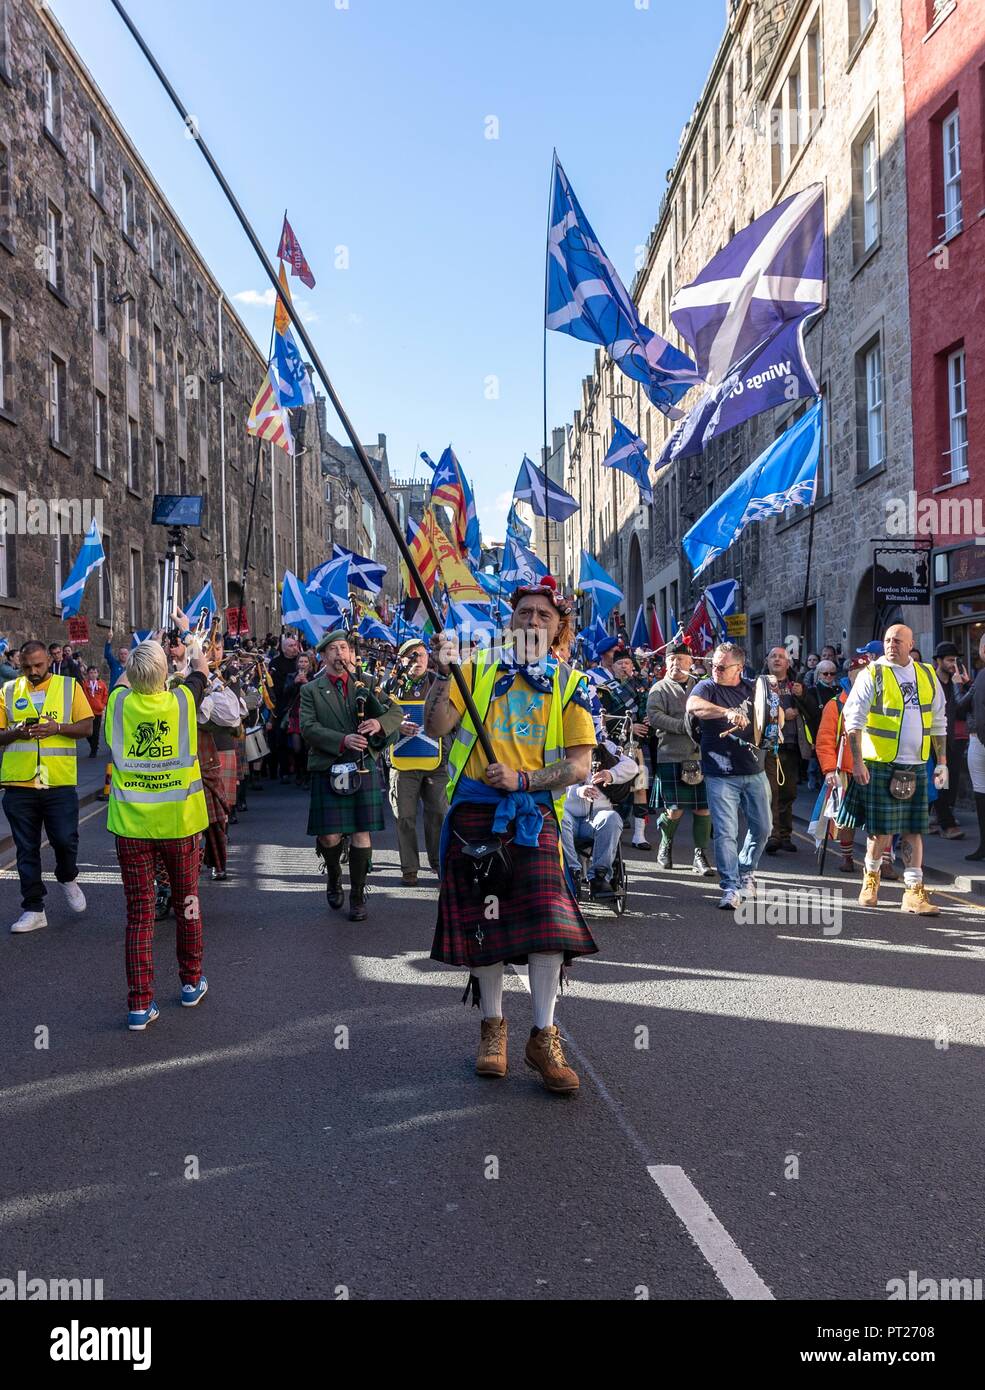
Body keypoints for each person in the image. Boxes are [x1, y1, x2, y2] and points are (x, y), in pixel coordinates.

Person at [425, 576, 597, 1095]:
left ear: (558, 628)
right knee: (486, 921)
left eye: (544, 615)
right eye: (525, 612)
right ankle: (492, 1030)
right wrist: (440, 672)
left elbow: (581, 766)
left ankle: (543, 1035)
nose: (533, 621)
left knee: (549, 924)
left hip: (533, 815)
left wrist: (523, 780)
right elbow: (436, 726)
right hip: (477, 810)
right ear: (511, 620)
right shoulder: (476, 668)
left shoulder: (571, 684)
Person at [106, 640, 210, 1030]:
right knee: (188, 904)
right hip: (178, 824)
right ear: (166, 674)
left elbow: (121, 681)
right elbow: (199, 667)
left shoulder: (117, 704)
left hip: (131, 826)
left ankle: (139, 1004)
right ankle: (190, 982)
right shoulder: (182, 702)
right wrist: (193, 643)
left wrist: (142, 652)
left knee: (139, 915)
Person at [838, 624, 947, 915]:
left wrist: (943, 763)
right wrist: (858, 762)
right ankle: (870, 879)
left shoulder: (926, 674)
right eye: (887, 640)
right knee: (881, 831)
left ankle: (913, 892)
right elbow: (853, 721)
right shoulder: (873, 673)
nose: (891, 644)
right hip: (880, 763)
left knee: (914, 829)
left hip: (916, 763)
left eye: (897, 640)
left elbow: (938, 721)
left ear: (911, 644)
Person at [300, 629, 403, 921]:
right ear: (323, 656)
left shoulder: (367, 683)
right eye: (333, 649)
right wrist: (342, 740)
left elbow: (396, 713)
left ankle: (358, 895)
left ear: (350, 654)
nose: (339, 654)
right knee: (330, 836)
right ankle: (334, 875)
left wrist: (378, 723)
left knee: (361, 831)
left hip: (362, 764)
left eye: (344, 648)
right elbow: (308, 728)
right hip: (329, 764)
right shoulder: (310, 690)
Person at [0, 640, 94, 933]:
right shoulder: (8, 690)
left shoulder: (68, 687)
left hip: (58, 781)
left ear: (47, 661)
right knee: (26, 848)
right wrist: (15, 733)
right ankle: (34, 908)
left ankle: (67, 876)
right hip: (19, 783)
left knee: (65, 840)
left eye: (39, 665)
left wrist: (58, 728)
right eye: (27, 667)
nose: (33, 671)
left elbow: (88, 727)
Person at [685, 641, 774, 910]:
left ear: (739, 667)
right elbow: (692, 705)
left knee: (763, 827)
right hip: (720, 772)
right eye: (713, 664)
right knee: (725, 832)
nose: (716, 669)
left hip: (754, 769)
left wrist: (775, 723)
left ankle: (746, 871)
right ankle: (731, 886)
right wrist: (727, 712)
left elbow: (774, 713)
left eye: (722, 666)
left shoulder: (753, 687)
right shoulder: (707, 686)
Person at [647, 641, 715, 875]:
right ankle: (665, 844)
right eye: (672, 660)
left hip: (701, 755)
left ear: (690, 663)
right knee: (674, 810)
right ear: (666, 663)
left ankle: (700, 855)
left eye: (681, 660)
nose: (676, 664)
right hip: (671, 754)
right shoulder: (659, 688)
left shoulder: (702, 687)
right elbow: (654, 717)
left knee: (703, 808)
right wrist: (684, 726)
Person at [387, 637, 449, 886]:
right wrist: (396, 724)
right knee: (405, 816)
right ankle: (409, 868)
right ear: (402, 660)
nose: (418, 660)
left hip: (436, 760)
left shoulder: (439, 682)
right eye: (411, 655)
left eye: (422, 655)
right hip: (402, 762)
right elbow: (377, 716)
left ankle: (438, 863)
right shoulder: (390, 686)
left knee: (438, 814)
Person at [561, 730, 638, 898]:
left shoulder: (606, 747)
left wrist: (611, 774)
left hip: (598, 813)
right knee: (558, 819)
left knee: (611, 818)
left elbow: (632, 766)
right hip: (568, 812)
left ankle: (599, 876)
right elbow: (552, 779)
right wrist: (577, 792)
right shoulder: (561, 748)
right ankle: (573, 872)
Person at [815, 654, 870, 873]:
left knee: (879, 819)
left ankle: (883, 861)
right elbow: (825, 740)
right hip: (845, 769)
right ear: (851, 675)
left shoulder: (881, 701)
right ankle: (847, 857)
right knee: (845, 819)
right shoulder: (835, 705)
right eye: (860, 673)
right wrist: (829, 769)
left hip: (876, 766)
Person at [762, 646, 818, 856]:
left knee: (788, 792)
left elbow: (813, 710)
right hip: (769, 745)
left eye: (781, 657)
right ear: (767, 661)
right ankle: (772, 835)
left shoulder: (797, 684)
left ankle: (785, 835)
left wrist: (802, 696)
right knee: (771, 792)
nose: (777, 660)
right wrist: (781, 713)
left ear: (788, 663)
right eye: (773, 656)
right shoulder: (759, 685)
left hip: (792, 745)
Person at [932, 641, 971, 840]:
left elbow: (964, 708)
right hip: (933, 738)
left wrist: (965, 685)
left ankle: (934, 817)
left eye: (955, 660)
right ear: (938, 661)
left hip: (952, 737)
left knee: (949, 780)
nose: (953, 664)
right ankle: (946, 824)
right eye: (949, 660)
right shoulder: (931, 681)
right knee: (941, 780)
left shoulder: (954, 682)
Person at [955, 633, 985, 861]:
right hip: (978, 739)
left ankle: (984, 846)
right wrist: (968, 685)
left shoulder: (983, 675)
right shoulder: (979, 679)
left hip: (979, 740)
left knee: (981, 792)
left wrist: (958, 686)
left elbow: (959, 707)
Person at [83, 665, 109, 757]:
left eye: (95, 672)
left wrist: (102, 705)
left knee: (96, 732)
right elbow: (83, 695)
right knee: (87, 731)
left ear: (98, 674)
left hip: (98, 712)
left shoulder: (102, 684)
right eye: (91, 672)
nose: (93, 675)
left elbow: (106, 695)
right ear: (88, 674)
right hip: (87, 712)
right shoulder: (85, 684)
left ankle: (94, 749)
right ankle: (92, 744)